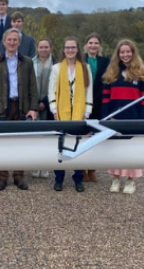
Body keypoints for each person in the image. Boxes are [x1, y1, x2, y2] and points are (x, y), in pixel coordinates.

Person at [0, 29, 38, 190]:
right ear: (4, 42)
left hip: (21, 106)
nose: (12, 42)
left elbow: (33, 87)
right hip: (3, 107)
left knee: (21, 142)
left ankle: (18, 175)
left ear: (19, 43)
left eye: (15, 40)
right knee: (1, 143)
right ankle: (2, 176)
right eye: (9, 39)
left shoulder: (27, 62)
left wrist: (33, 108)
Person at [102, 39, 144, 194]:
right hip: (114, 118)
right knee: (116, 149)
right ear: (118, 54)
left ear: (133, 53)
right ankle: (116, 178)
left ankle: (130, 181)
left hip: (134, 118)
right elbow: (105, 99)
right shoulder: (111, 73)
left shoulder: (143, 73)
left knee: (131, 150)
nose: (125, 55)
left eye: (128, 52)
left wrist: (142, 121)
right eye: (122, 52)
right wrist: (106, 117)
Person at [48, 37, 94, 192]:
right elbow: (52, 90)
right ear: (63, 49)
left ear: (77, 49)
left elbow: (89, 90)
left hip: (80, 112)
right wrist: (54, 109)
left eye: (73, 47)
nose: (70, 50)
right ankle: (59, 178)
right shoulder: (56, 68)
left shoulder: (85, 67)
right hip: (61, 112)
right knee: (60, 145)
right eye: (67, 47)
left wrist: (87, 111)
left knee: (78, 145)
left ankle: (78, 178)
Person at [83, 32, 111, 182]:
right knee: (82, 135)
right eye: (90, 43)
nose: (93, 45)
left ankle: (92, 168)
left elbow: (108, 80)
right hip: (82, 102)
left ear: (99, 46)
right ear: (86, 44)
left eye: (95, 43)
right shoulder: (80, 59)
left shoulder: (105, 61)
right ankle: (81, 168)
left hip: (99, 102)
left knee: (95, 136)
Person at [30, 38, 56, 179]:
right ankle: (35, 165)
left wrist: (45, 102)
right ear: (37, 48)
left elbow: (57, 86)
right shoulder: (30, 63)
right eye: (41, 47)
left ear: (51, 47)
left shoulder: (56, 64)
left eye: (46, 47)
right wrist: (35, 103)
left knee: (49, 136)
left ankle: (46, 165)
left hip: (50, 104)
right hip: (34, 104)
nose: (44, 49)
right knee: (35, 136)